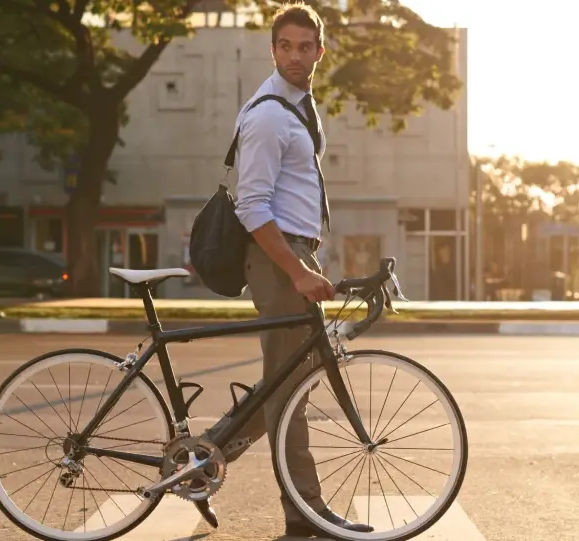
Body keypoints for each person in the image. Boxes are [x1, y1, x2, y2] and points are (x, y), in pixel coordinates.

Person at [197, 3, 373, 537]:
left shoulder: (298, 105)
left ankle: (202, 462)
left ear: (320, 51)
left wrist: (307, 262)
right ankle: (306, 514)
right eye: (286, 46)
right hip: (278, 262)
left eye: (306, 46)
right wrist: (297, 270)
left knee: (286, 381)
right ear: (274, 50)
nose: (296, 56)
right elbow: (252, 207)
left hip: (294, 255)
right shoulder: (270, 114)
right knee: (290, 394)